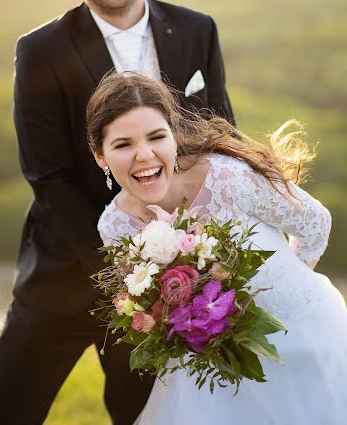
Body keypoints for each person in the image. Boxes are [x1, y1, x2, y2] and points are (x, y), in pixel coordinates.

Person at [0, 0, 234, 425]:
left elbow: (221, 144)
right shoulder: (41, 50)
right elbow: (50, 179)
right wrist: (134, 269)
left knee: (145, 419)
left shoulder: (197, 29)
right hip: (63, 278)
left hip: (167, 293)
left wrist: (181, 273)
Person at [87, 72, 347, 425]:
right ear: (100, 156)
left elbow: (315, 223)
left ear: (174, 137)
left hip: (303, 341)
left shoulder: (229, 178)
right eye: (123, 145)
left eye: (156, 137)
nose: (144, 155)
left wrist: (290, 285)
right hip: (213, 369)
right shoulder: (115, 227)